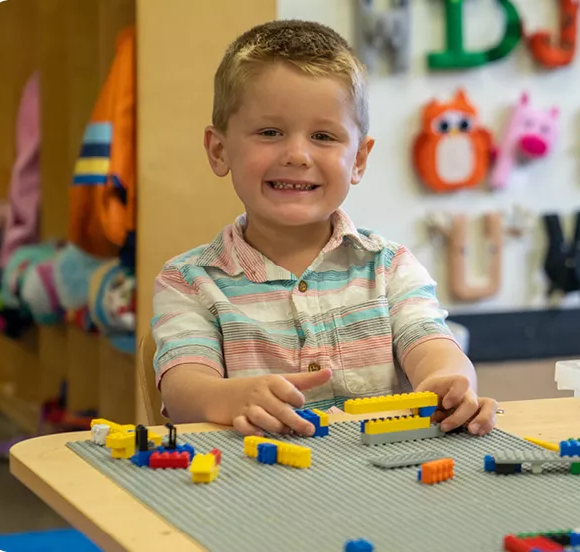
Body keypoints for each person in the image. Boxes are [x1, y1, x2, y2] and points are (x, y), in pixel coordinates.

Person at [151, 19, 498, 438]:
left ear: (358, 161)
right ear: (220, 150)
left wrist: (449, 381)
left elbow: (432, 346)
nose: (297, 154)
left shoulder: (389, 267)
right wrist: (232, 398)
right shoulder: (189, 282)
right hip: (246, 488)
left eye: (322, 136)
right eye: (270, 132)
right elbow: (185, 388)